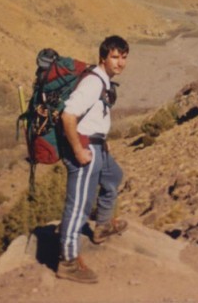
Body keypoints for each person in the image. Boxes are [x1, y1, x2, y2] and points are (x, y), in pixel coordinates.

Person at [56, 35, 130, 284]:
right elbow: (68, 116)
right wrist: (78, 150)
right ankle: (67, 262)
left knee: (114, 177)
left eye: (123, 57)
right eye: (115, 57)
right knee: (78, 206)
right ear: (103, 58)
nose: (120, 63)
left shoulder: (103, 80)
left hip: (98, 146)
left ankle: (102, 226)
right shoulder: (92, 83)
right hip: (85, 147)